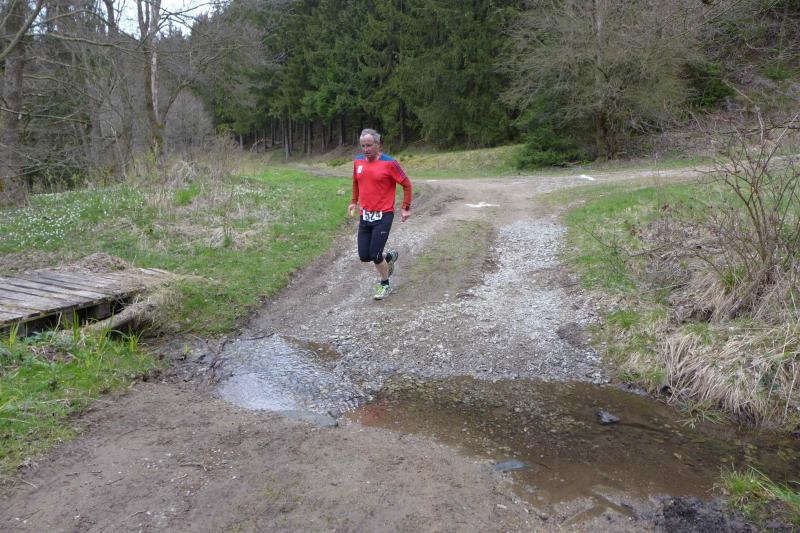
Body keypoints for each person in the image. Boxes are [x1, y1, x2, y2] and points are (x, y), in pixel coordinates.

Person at [348, 128, 412, 300]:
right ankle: (389, 257)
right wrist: (353, 202)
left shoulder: (390, 163)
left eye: (369, 145)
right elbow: (355, 182)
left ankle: (385, 284)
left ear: (378, 144)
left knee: (375, 255)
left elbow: (406, 184)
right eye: (363, 146)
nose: (366, 149)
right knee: (364, 256)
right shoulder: (358, 161)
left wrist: (405, 207)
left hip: (384, 214)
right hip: (365, 215)